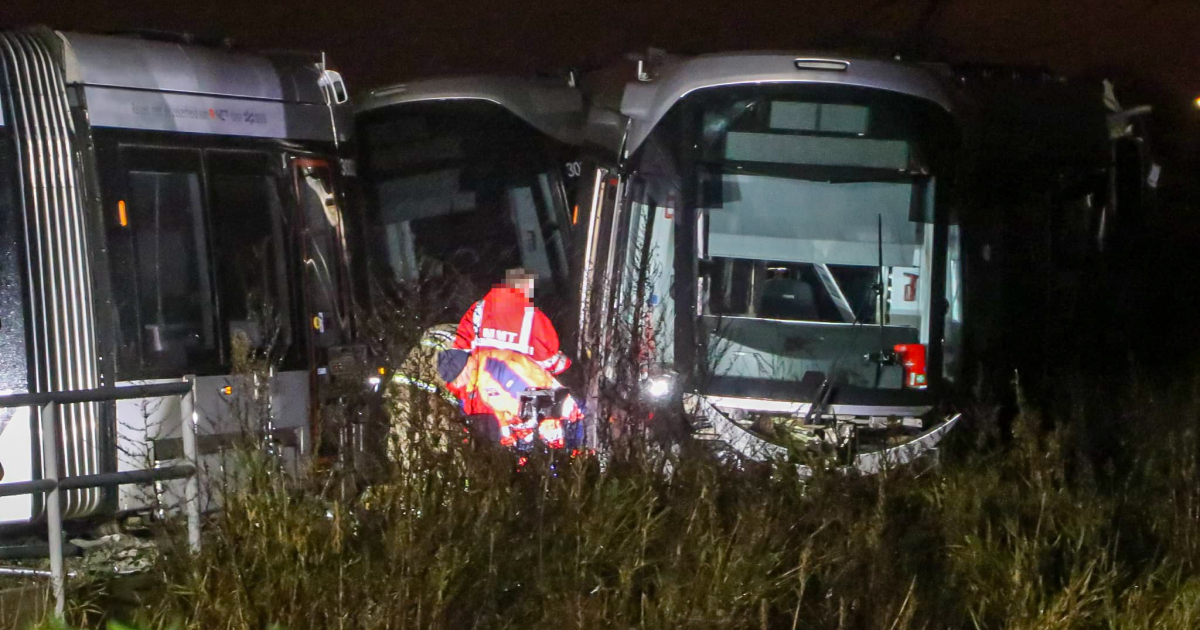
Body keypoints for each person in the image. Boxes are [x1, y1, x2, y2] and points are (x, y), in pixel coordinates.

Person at [436, 346, 581, 449]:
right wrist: (506, 430)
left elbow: (537, 396)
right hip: (542, 421)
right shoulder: (481, 380)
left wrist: (542, 424)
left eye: (455, 381)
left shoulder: (492, 368)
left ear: (462, 370)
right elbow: (501, 405)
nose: (456, 385)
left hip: (561, 418)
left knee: (584, 447)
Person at [453, 268, 571, 375]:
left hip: (481, 389)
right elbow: (549, 361)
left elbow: (460, 351)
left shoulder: (478, 309)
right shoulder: (532, 316)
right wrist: (569, 364)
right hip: (516, 389)